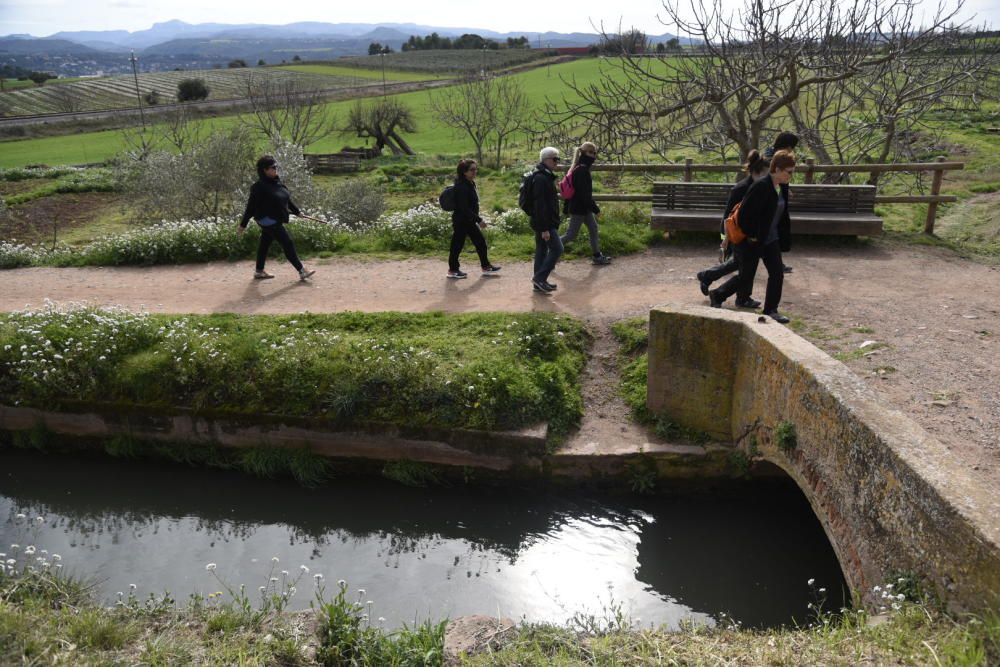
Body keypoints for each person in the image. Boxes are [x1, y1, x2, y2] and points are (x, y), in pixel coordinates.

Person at [709, 150, 796, 324]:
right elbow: (743, 217)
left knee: (777, 274)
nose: (791, 176)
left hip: (770, 239)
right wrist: (753, 236)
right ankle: (718, 294)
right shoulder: (761, 186)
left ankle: (771, 310)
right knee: (746, 276)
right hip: (752, 240)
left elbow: (780, 214)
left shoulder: (782, 187)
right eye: (789, 172)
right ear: (777, 169)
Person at [696, 149, 769, 307]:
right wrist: (725, 239)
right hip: (739, 235)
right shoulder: (741, 188)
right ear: (758, 172)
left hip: (748, 234)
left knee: (740, 264)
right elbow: (727, 216)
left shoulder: (760, 186)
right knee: (746, 269)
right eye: (766, 174)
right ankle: (727, 295)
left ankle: (708, 277)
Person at [238, 155, 315, 281]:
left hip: (274, 218)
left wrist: (297, 212)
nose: (276, 169)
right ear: (264, 170)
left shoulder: (276, 183)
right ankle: (302, 271)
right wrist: (243, 225)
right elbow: (250, 208)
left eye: (276, 166)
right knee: (287, 242)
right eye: (273, 167)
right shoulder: (258, 187)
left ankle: (259, 271)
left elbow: (286, 199)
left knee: (265, 242)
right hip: (266, 219)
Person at [446, 158, 501, 279]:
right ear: (464, 172)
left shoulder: (470, 183)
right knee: (457, 245)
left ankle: (486, 266)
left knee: (480, 242)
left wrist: (475, 219)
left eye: (476, 169)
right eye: (472, 170)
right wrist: (479, 220)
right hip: (461, 221)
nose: (475, 171)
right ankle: (453, 270)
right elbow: (463, 208)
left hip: (468, 220)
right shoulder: (462, 186)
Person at [560, 142, 611, 265]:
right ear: (583, 153)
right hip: (579, 209)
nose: (593, 155)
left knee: (593, 229)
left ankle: (597, 256)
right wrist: (596, 210)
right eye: (591, 152)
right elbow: (584, 195)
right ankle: (549, 247)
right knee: (571, 235)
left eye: (595, 153)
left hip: (584, 208)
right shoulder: (582, 171)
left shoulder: (579, 168)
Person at [528, 146, 563, 294]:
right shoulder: (542, 178)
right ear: (546, 160)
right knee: (557, 248)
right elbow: (540, 205)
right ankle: (540, 278)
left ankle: (539, 283)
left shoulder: (543, 175)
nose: (557, 162)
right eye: (555, 159)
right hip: (544, 222)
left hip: (542, 221)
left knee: (541, 250)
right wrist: (544, 228)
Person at [765, 132, 799, 274]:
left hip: (780, 198)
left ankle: (778, 263)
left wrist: (787, 190)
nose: (792, 150)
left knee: (776, 232)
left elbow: (782, 178)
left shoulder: (775, 155)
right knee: (774, 231)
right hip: (774, 200)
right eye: (791, 147)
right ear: (787, 145)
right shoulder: (772, 157)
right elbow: (771, 178)